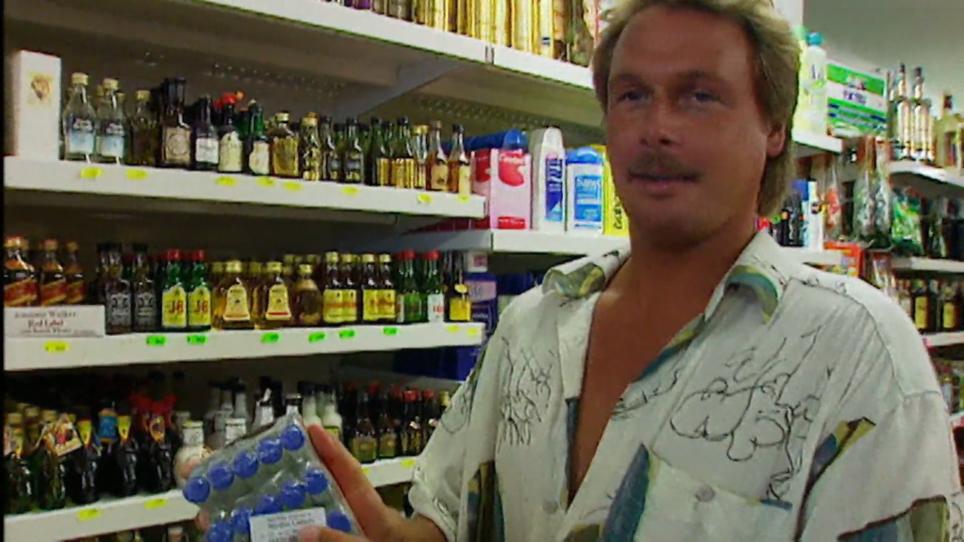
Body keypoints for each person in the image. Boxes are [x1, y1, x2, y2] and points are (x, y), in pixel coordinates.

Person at [192, 0, 963, 540]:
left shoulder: (857, 353)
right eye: (632, 95)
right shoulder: (534, 325)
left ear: (773, 127)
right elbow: (447, 523)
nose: (656, 128)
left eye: (699, 96)